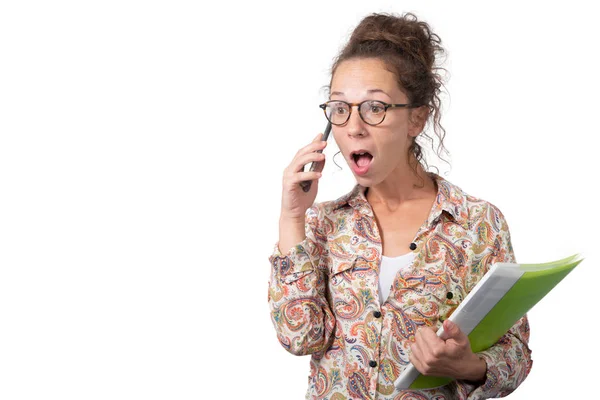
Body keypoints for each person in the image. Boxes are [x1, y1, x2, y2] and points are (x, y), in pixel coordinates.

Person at [267, 12, 532, 400]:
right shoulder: (323, 223)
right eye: (340, 108)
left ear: (417, 118)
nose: (354, 126)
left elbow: (515, 356)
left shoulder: (476, 223)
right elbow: (300, 336)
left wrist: (467, 366)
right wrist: (292, 216)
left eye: (374, 107)